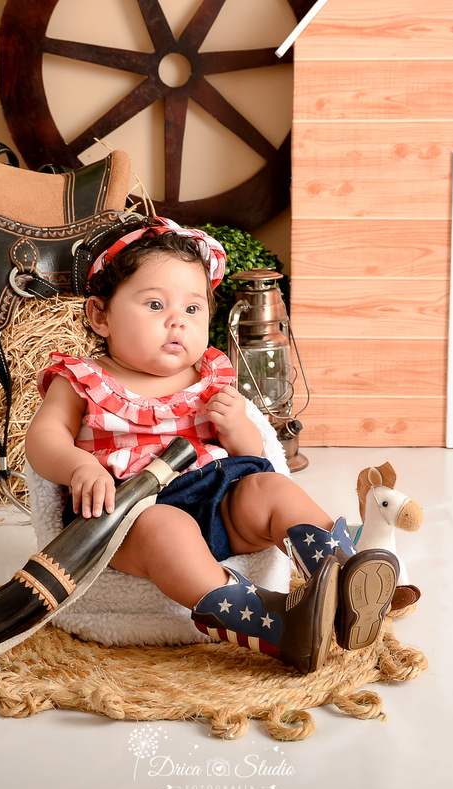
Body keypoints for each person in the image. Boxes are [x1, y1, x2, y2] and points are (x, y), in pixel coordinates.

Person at [25, 218, 398, 673]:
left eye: (192, 308)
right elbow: (43, 439)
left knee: (272, 489)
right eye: (155, 304)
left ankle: (342, 573)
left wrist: (237, 425)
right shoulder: (83, 380)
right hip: (130, 515)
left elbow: (253, 458)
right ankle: (269, 621)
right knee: (166, 529)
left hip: (218, 502)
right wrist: (79, 467)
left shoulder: (210, 376)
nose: (177, 321)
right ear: (100, 316)